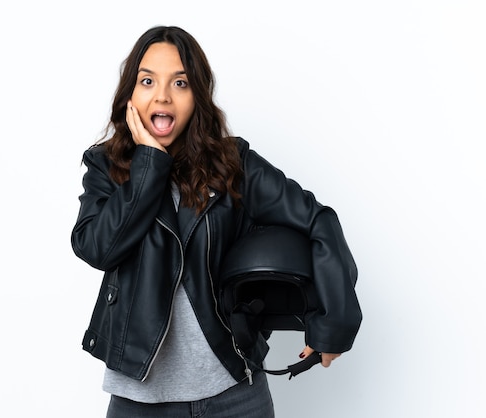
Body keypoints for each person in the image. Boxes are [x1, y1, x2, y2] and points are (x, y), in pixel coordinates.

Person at [71, 25, 362, 418]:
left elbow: (318, 221)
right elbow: (97, 247)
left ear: (198, 95)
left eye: (180, 82)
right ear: (130, 95)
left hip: (235, 392)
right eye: (147, 81)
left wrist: (331, 324)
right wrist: (149, 163)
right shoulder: (106, 167)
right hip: (138, 401)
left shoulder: (232, 164)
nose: (162, 95)